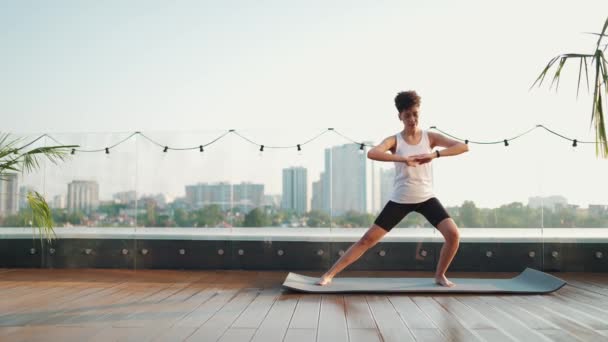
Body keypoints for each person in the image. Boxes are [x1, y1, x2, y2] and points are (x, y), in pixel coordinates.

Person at [316, 90, 469, 287]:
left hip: (426, 198)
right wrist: (402, 158)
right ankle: (329, 275)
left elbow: (463, 147)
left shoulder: (429, 138)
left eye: (415, 114)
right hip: (401, 199)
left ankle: (440, 276)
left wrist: (434, 155)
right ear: (400, 117)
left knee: (453, 235)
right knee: (367, 240)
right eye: (408, 116)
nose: (412, 119)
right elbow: (372, 153)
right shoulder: (395, 140)